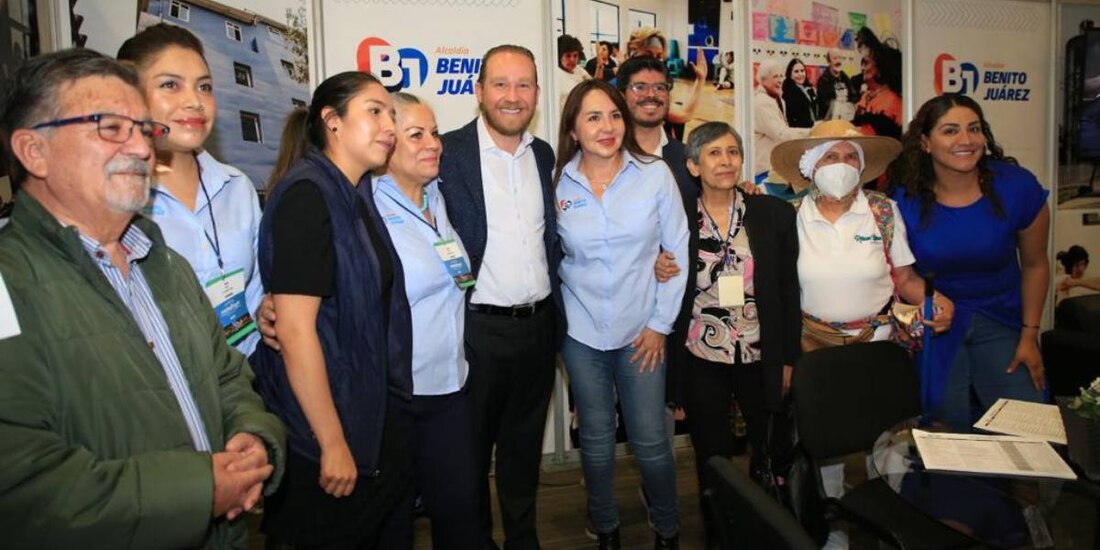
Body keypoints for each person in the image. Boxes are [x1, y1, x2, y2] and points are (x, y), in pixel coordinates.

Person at [0, 48, 284, 547]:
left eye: (143, 129)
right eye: (110, 127)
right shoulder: (7, 284)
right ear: (33, 151)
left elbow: (227, 376)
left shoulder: (164, 265)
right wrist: (201, 492)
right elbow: (23, 485)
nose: (140, 148)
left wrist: (253, 439)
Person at [254, 71, 415, 548]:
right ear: (332, 121)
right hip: (323, 431)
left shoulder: (354, 193)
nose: (389, 124)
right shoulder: (308, 195)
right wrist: (332, 443)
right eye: (374, 111)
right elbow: (298, 332)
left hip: (367, 412)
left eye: (391, 113)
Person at [554, 79, 689, 549]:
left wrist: (660, 325)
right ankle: (606, 526)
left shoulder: (654, 174)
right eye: (592, 117)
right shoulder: (557, 182)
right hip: (581, 331)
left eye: (613, 115)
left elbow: (679, 251)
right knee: (594, 439)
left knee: (652, 442)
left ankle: (668, 529)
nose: (607, 127)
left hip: (642, 333)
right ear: (573, 128)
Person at [438, 44, 560, 550]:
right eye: (501, 84)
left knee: (523, 452)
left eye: (524, 85)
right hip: (476, 332)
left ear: (536, 91)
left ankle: (523, 541)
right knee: (468, 458)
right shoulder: (447, 151)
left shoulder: (545, 154)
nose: (513, 96)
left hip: (537, 328)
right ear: (479, 92)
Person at [668, 122, 801, 547]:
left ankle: (767, 530)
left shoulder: (772, 214)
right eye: (713, 153)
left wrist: (787, 359)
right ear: (693, 165)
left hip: (760, 351)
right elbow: (662, 277)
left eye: (732, 152)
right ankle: (719, 533)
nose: (725, 161)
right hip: (700, 353)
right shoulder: (677, 217)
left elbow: (786, 291)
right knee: (713, 456)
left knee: (768, 450)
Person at [891, 94, 1050, 430]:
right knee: (944, 439)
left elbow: (1036, 264)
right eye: (950, 131)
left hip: (1005, 323)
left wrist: (1029, 335)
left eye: (974, 129)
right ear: (925, 142)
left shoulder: (1017, 187)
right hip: (937, 330)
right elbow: (902, 276)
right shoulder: (904, 199)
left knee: (1029, 432)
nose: (965, 140)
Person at [117, 24, 264, 359]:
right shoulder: (113, 199)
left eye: (205, 87)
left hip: (248, 381)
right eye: (171, 85)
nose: (194, 101)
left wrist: (267, 313)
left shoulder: (237, 187)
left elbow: (256, 291)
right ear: (128, 95)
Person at [374, 92, 480, 547]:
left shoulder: (440, 195)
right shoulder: (369, 208)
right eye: (415, 134)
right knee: (393, 524)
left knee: (460, 516)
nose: (432, 143)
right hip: (397, 398)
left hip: (452, 387)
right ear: (386, 142)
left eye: (434, 133)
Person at [753, 59, 811, 182]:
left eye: (781, 76)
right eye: (775, 76)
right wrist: (811, 132)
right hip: (764, 170)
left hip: (773, 167)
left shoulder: (776, 98)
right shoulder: (762, 103)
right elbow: (781, 134)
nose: (780, 80)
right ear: (763, 79)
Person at [852, 30, 902, 139]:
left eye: (866, 62)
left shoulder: (892, 101)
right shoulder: (867, 96)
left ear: (880, 67)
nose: (862, 68)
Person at [815, 50, 856, 120]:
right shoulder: (823, 80)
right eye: (835, 58)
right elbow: (825, 103)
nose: (838, 61)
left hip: (845, 118)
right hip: (829, 121)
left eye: (840, 58)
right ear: (829, 61)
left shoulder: (845, 77)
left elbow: (853, 96)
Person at [556, 34, 590, 111]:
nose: (572, 60)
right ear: (559, 56)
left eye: (575, 56)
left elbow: (592, 84)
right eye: (568, 56)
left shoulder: (578, 70)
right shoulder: (557, 75)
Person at [782, 58, 816, 129]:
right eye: (796, 71)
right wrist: (814, 125)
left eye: (802, 71)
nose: (800, 74)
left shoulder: (809, 89)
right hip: (800, 132)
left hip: (813, 128)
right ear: (790, 74)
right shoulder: (788, 93)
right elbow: (797, 118)